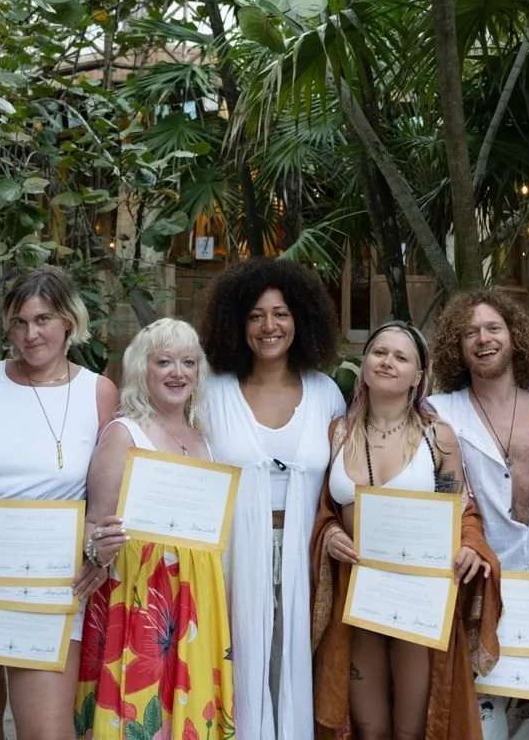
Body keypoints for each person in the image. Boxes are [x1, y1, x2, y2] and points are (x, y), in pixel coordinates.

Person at [0, 266, 121, 740]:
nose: (31, 334)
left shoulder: (97, 392)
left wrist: (99, 550)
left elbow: (108, 492)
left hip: (53, 582)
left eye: (44, 319)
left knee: (47, 729)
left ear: (69, 322)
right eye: (20, 322)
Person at [312, 320, 501, 740]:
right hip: (356, 591)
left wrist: (470, 546)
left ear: (418, 376)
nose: (387, 362)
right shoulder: (337, 433)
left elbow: (462, 512)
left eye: (401, 357)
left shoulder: (439, 439)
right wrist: (329, 534)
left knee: (412, 727)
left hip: (418, 595)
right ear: (363, 364)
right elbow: (320, 509)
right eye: (379, 352)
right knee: (367, 725)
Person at [200, 257, 346, 740]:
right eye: (256, 315)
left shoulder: (325, 393)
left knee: (296, 663)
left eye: (280, 313)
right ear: (236, 324)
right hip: (231, 556)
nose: (269, 326)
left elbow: (343, 481)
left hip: (305, 554)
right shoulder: (212, 392)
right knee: (237, 663)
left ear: (299, 319)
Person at [426, 291, 529, 740]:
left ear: (515, 337)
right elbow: (438, 495)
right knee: (483, 727)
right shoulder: (441, 412)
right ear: (457, 347)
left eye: (493, 327)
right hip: (481, 596)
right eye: (469, 332)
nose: (483, 338)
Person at [74, 318, 235, 738]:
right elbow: (94, 524)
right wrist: (97, 547)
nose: (177, 372)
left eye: (187, 362)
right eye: (164, 362)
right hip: (139, 598)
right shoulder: (124, 434)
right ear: (142, 371)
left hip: (195, 599)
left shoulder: (203, 437)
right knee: (141, 714)